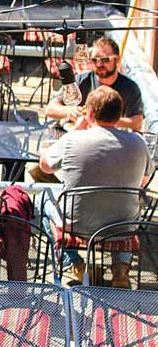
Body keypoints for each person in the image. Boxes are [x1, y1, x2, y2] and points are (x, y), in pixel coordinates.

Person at [38, 86, 154, 286]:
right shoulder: (139, 143)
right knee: (131, 206)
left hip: (77, 226)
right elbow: (143, 182)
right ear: (119, 115)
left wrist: (76, 129)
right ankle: (120, 269)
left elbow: (45, 166)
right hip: (121, 227)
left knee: (42, 199)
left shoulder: (73, 139)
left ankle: (74, 263)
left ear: (90, 113)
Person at [45, 36, 144, 132]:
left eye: (105, 60)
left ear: (117, 59)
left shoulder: (130, 88)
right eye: (94, 60)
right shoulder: (80, 80)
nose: (99, 64)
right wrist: (70, 111)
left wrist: (105, 120)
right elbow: (50, 109)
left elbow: (137, 123)